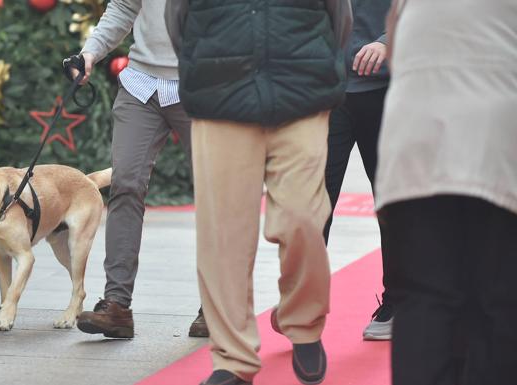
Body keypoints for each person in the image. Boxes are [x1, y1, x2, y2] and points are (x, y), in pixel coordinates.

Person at [166, 1, 351, 384]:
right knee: (224, 238)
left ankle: (302, 321)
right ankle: (233, 359)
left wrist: (315, 61)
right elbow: (178, 19)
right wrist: (211, 59)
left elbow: (340, 17)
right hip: (220, 95)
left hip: (303, 92)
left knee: (303, 217)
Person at [375, 0, 517, 384]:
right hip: (496, 143)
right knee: (498, 300)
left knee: (424, 297)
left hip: (414, 143)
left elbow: (397, 45)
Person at [70, 0, 208, 339]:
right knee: (125, 185)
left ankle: (218, 303)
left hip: (203, 86)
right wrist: (90, 53)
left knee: (216, 195)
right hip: (141, 84)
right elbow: (124, 6)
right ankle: (116, 306)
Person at [322, 0, 394, 340]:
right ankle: (305, 305)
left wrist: (387, 40)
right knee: (313, 206)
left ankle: (397, 302)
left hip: (383, 91)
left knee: (391, 205)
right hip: (325, 92)